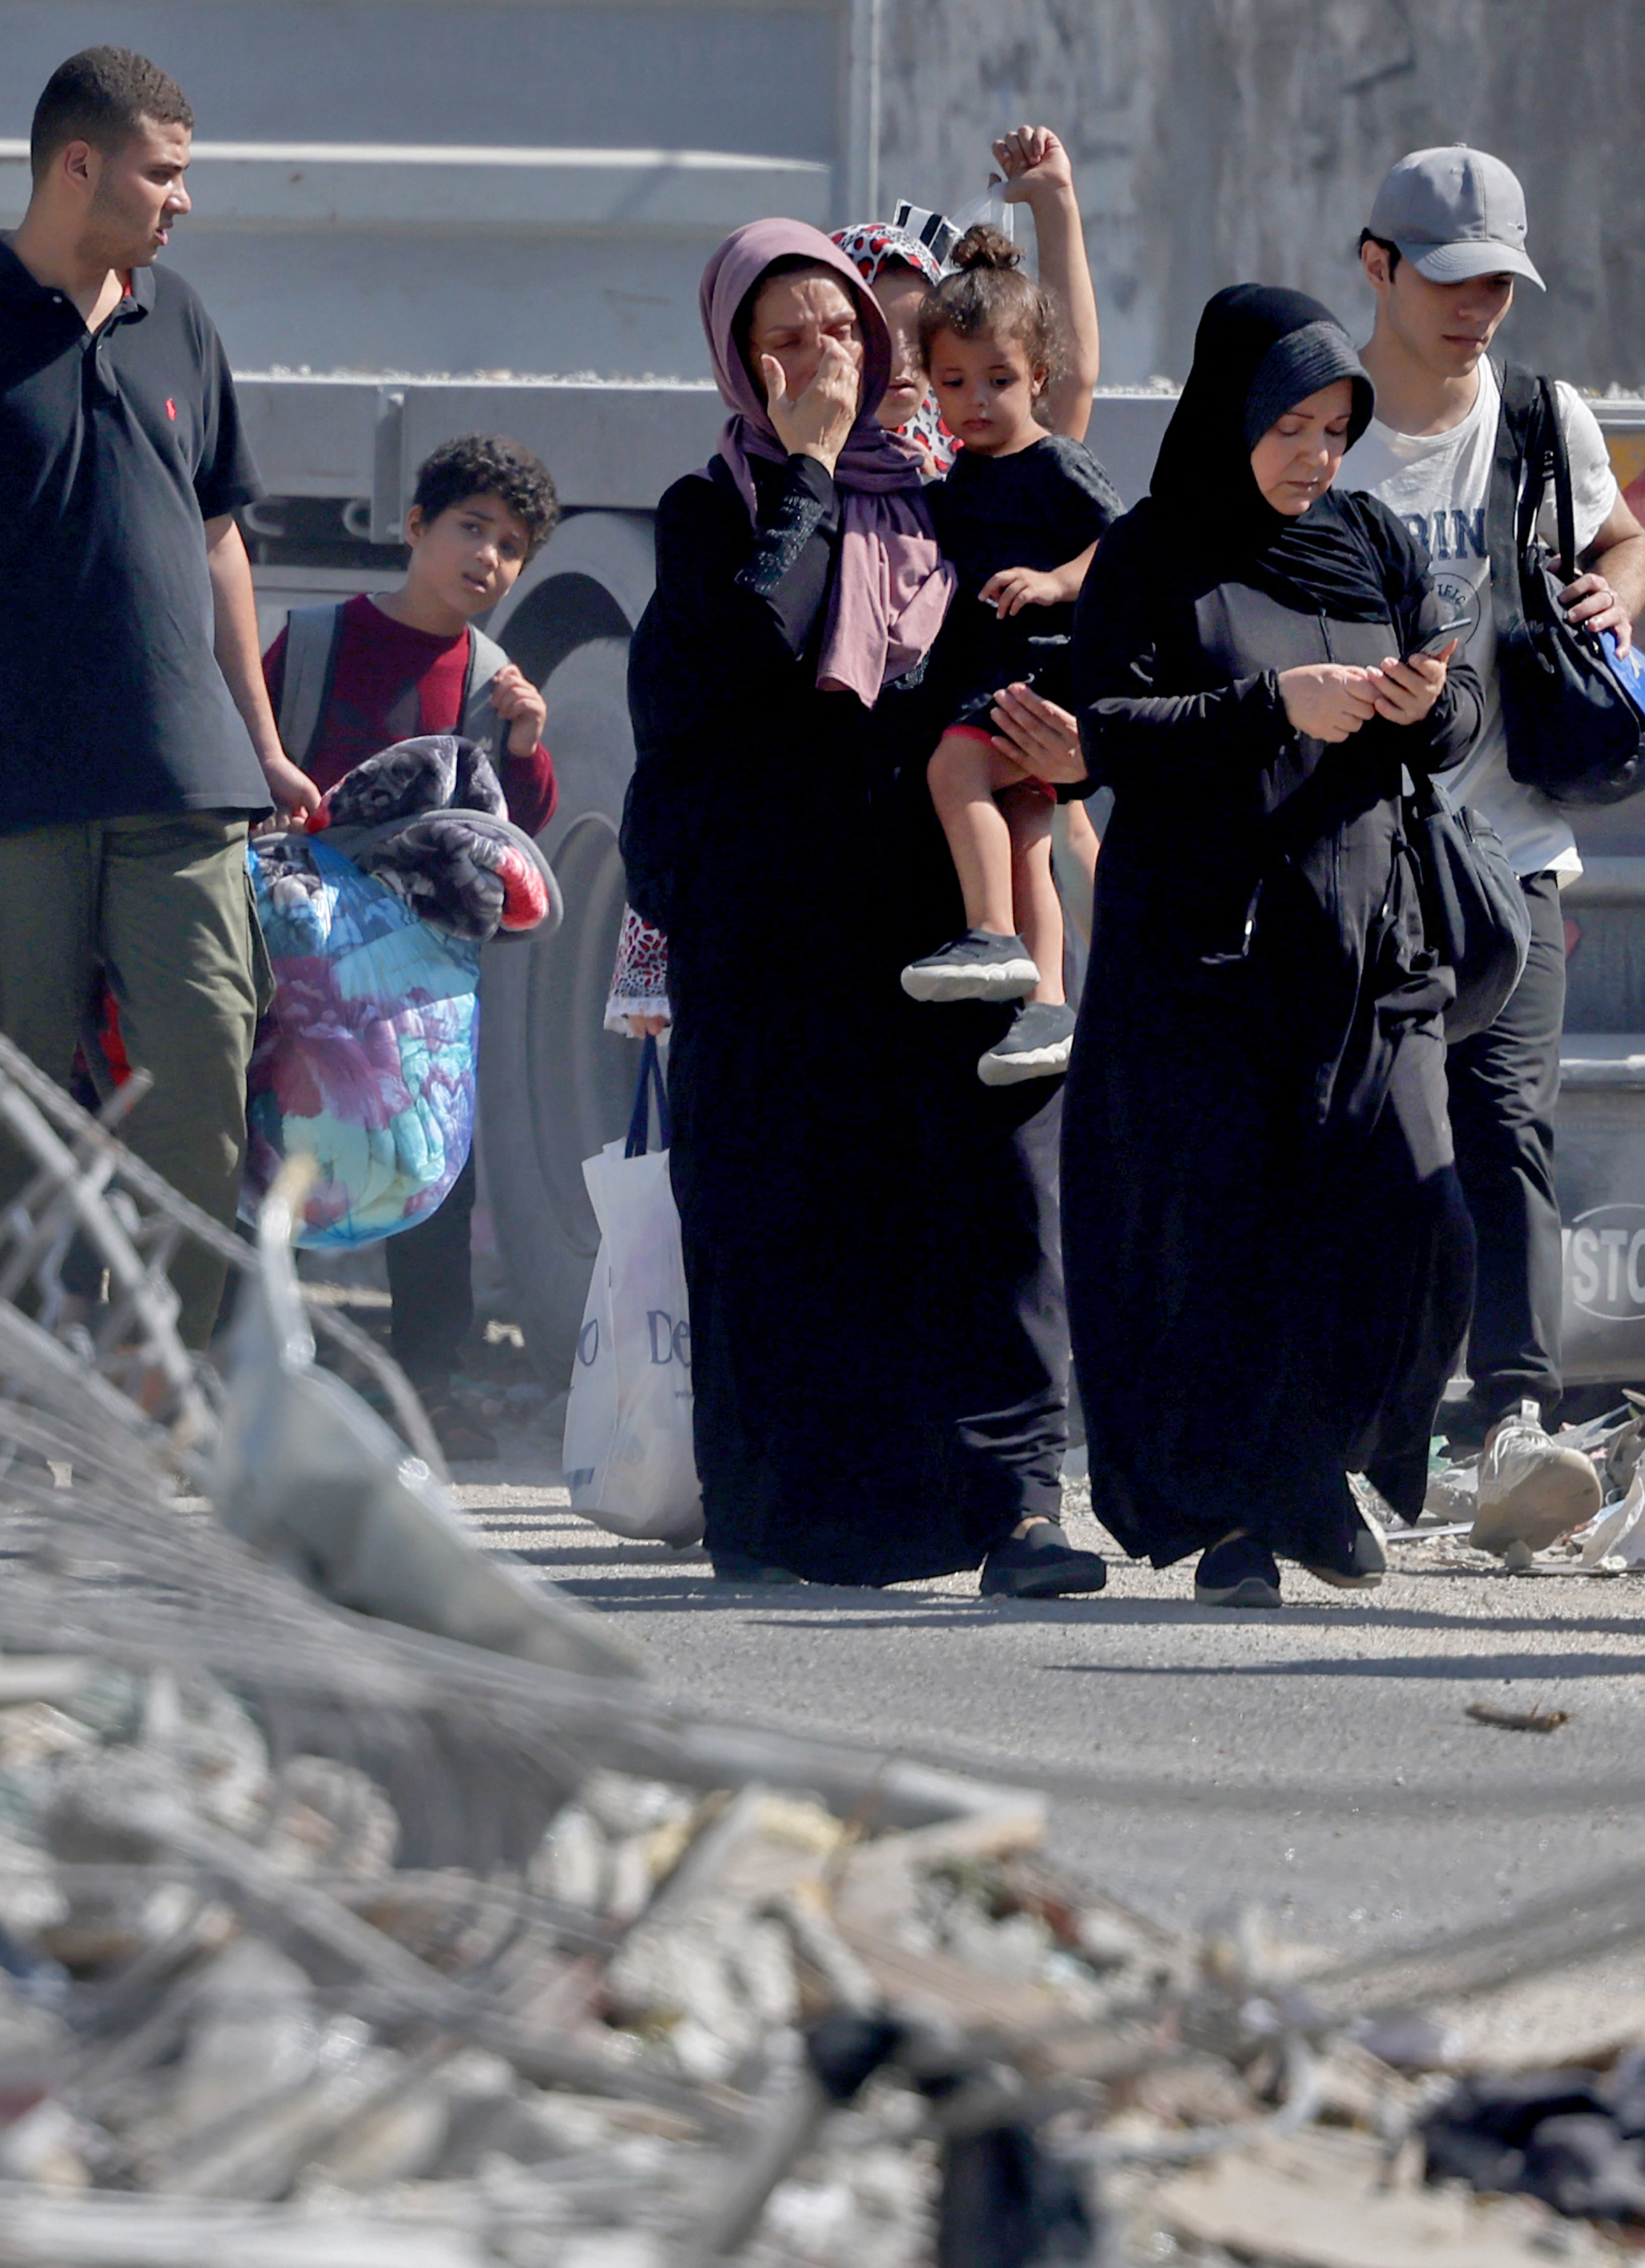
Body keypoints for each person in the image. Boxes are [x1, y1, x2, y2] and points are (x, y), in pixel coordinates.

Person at [618, 221, 1105, 1601]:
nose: (829, 356)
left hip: (941, 917)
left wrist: (1073, 744)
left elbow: (1053, 638)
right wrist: (815, 469)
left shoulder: (953, 494)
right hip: (772, 931)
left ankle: (1018, 1506)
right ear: (741, 362)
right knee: (783, 1216)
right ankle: (781, 1515)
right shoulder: (713, 507)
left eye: (844, 329)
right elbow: (757, 638)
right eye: (789, 339)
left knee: (995, 1203)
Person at [0, 47, 320, 1345]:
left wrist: (262, 743)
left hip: (184, 787)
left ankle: (165, 1392)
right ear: (78, 165)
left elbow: (218, 542)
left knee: (202, 1091)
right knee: (11, 1121)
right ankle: (14, 1401)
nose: (183, 201)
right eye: (164, 173)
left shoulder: (181, 320)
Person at [1061, 285, 1476, 1608]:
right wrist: (1267, 705)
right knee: (1227, 1243)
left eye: (1337, 429)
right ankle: (1243, 1515)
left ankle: (1319, 1466)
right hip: (1210, 955)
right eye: (1290, 427)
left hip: (1371, 944)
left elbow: (1458, 709)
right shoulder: (1153, 552)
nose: (1316, 456)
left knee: (1416, 1216)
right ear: (1228, 416)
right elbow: (1100, 733)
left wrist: (1425, 702)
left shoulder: (1368, 541)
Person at [1334, 145, 1645, 1557]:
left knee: (1507, 1123)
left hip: (1510, 839)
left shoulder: (1539, 417)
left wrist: (1616, 595)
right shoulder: (1321, 421)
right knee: (1365, 1141)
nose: (1478, 309)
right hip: (1354, 849)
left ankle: (1516, 1415)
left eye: (1499, 285)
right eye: (1452, 280)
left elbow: (1629, 539)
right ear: (1379, 266)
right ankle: (1360, 1423)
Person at [259, 434, 563, 1407]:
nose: (489, 557)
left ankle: (429, 1385)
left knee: (428, 1158)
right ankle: (252, 1368)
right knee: (275, 1139)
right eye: (472, 528)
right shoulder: (315, 639)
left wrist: (525, 744)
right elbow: (251, 754)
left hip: (417, 967)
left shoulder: (492, 676)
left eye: (511, 547)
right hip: (299, 956)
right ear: (416, 526)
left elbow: (511, 832)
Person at [898, 224, 1123, 1084]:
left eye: (998, 380)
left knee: (955, 770)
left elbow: (1124, 549)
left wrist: (1058, 580)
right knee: (1029, 832)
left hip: (1039, 678)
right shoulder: (961, 478)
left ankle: (991, 933)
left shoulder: (1054, 462)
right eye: (953, 382)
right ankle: (1048, 1008)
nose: (976, 401)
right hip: (996, 675)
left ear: (1039, 375)